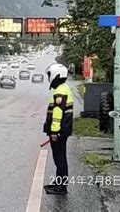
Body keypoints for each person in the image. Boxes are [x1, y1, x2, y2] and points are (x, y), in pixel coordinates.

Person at [43, 63, 73, 195]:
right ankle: (58, 183)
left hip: (59, 131)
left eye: (50, 74)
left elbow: (57, 113)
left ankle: (61, 187)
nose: (49, 77)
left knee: (59, 158)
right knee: (59, 158)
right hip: (63, 130)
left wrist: (54, 131)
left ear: (56, 75)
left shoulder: (60, 91)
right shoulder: (63, 88)